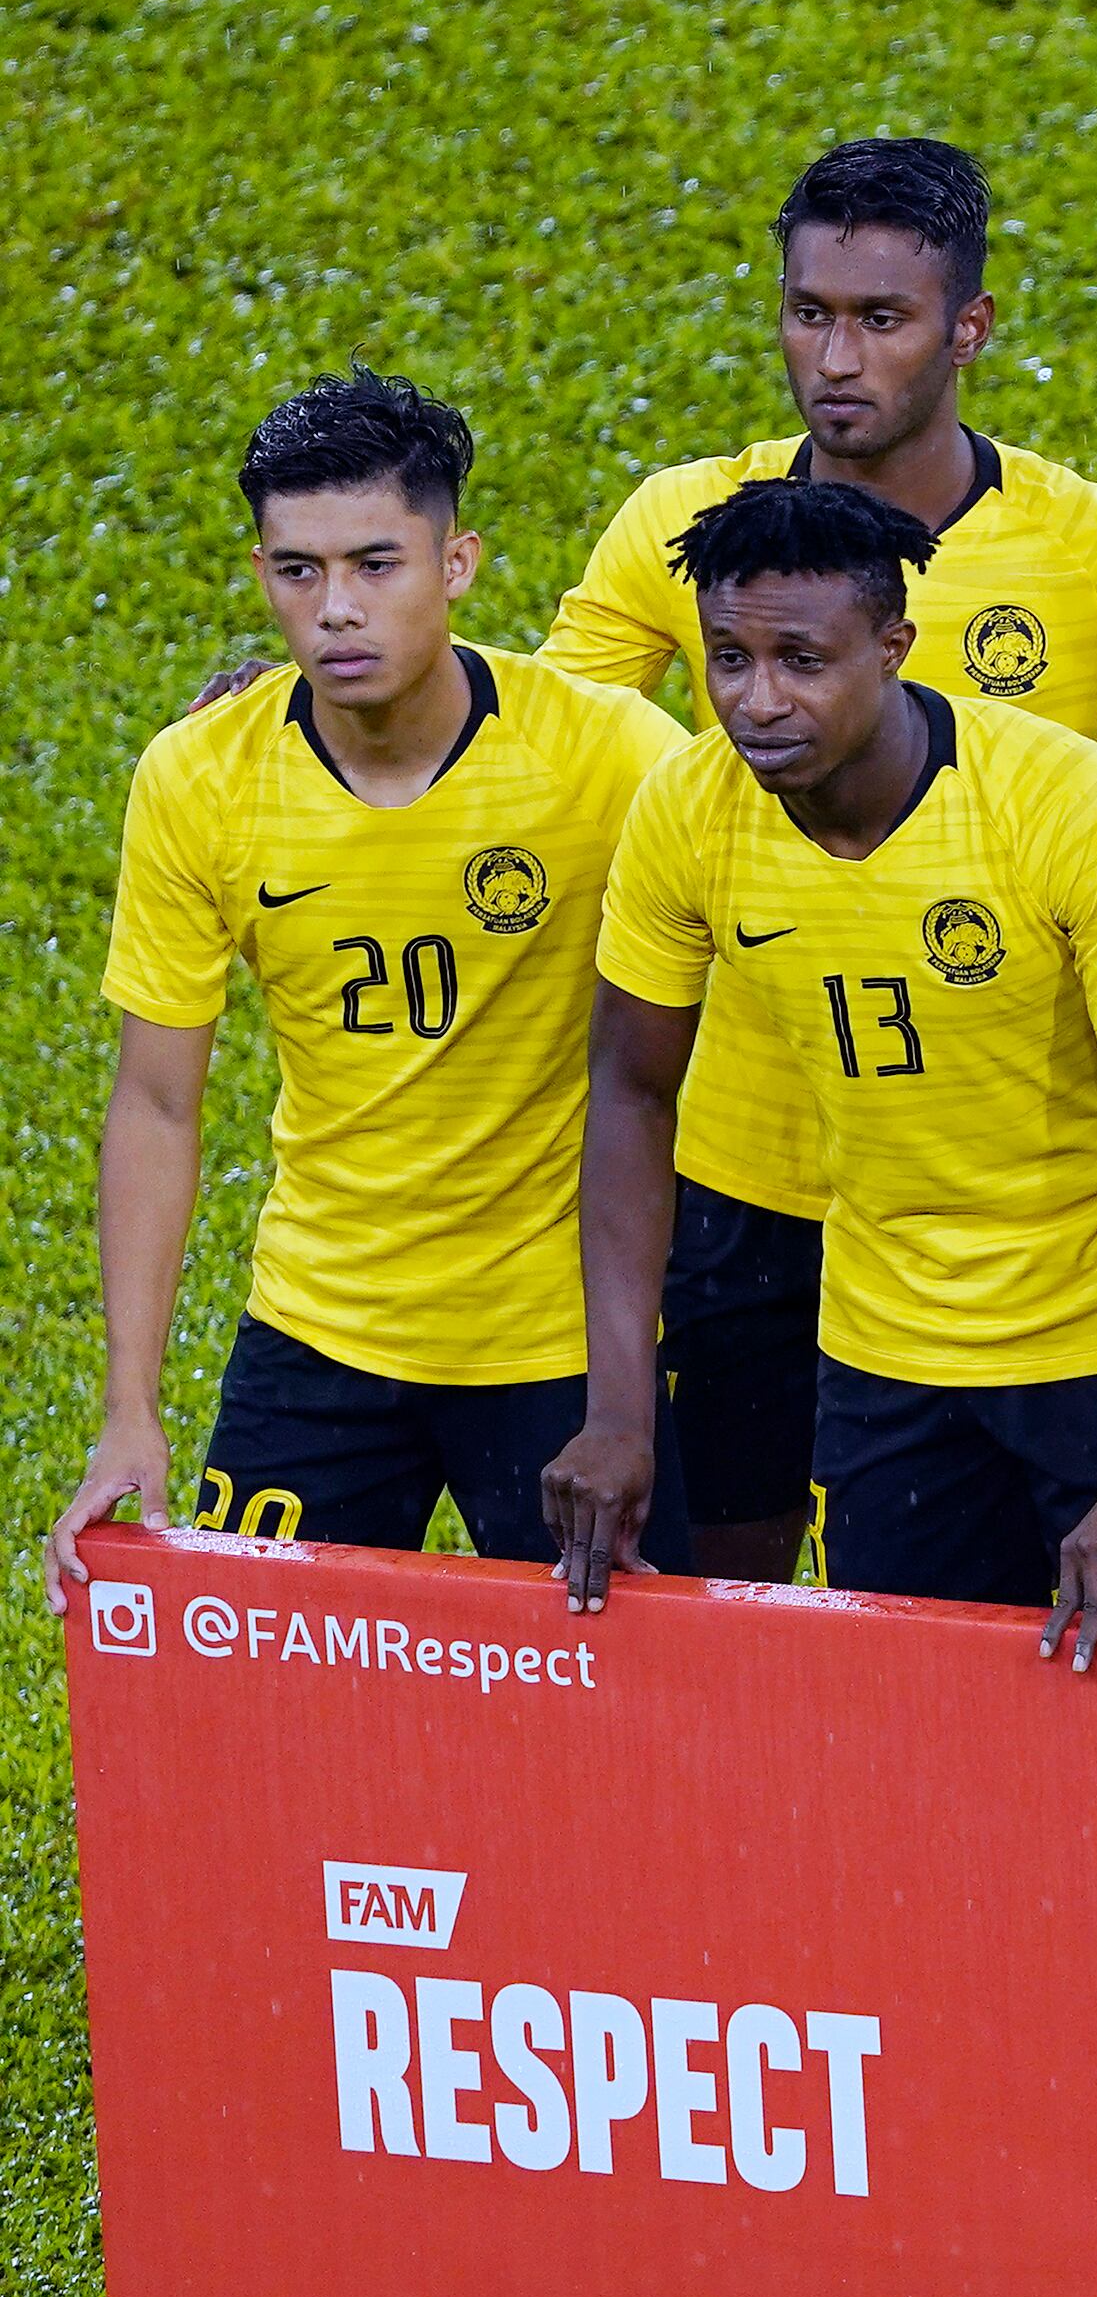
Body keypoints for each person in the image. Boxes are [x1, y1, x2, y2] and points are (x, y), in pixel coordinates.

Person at [540, 135, 1097, 1585]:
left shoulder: (1095, 547)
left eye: (880, 318)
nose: (836, 357)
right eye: (809, 312)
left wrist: (1052, 900)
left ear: (967, 328)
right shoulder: (695, 531)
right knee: (742, 1555)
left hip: (1011, 1182)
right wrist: (303, 701)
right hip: (746, 1156)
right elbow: (548, 742)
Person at [45, 371, 685, 1609]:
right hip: (318, 1330)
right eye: (299, 570)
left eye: (376, 564)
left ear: (457, 563)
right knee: (255, 1700)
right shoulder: (200, 778)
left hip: (562, 1347)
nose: (335, 608)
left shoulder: (605, 754)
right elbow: (158, 1104)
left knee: (620, 1713)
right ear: (261, 573)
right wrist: (129, 1409)